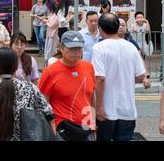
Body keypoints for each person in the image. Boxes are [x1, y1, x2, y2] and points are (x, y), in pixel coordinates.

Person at [92, 13, 146, 141]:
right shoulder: (131, 47)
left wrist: (98, 107)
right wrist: (125, 78)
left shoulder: (99, 48)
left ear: (100, 28)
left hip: (106, 109)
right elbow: (140, 76)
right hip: (127, 109)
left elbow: (99, 79)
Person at [39, 31, 96, 141]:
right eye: (71, 48)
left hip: (86, 128)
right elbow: (42, 103)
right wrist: (50, 128)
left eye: (79, 48)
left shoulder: (88, 67)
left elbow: (92, 96)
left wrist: (93, 125)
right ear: (61, 48)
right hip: (62, 129)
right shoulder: (50, 71)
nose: (76, 52)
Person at [117, 16, 151, 89]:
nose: (120, 27)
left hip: (127, 81)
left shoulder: (131, 42)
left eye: (123, 25)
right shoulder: (104, 42)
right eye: (118, 25)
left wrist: (145, 77)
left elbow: (140, 59)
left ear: (126, 27)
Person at [43, 0, 59, 66]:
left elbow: (52, 25)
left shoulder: (56, 16)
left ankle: (50, 65)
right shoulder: (51, 14)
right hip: (49, 35)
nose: (46, 7)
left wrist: (46, 21)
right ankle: (47, 64)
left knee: (51, 51)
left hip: (53, 36)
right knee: (47, 51)